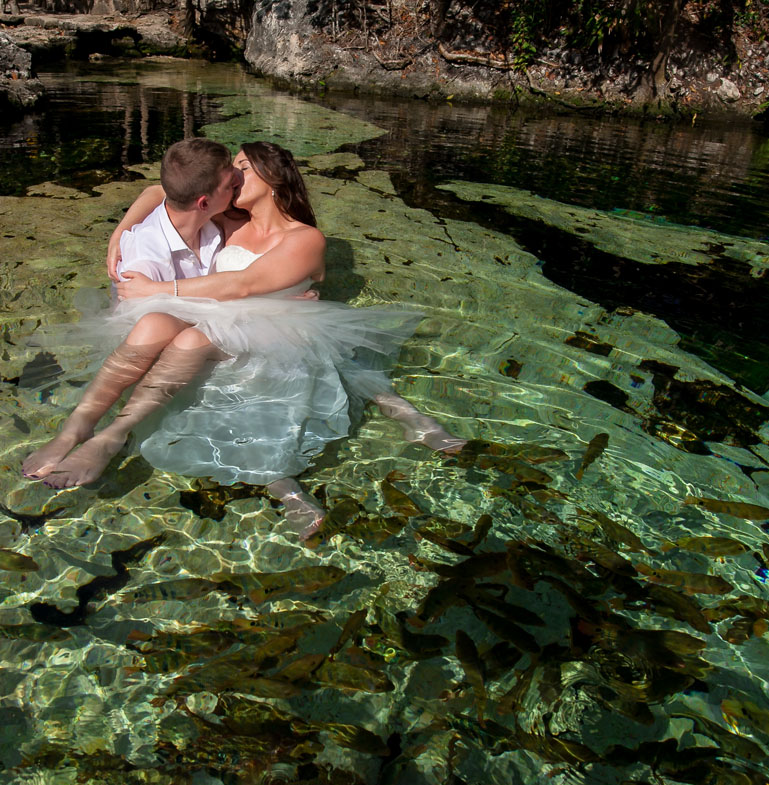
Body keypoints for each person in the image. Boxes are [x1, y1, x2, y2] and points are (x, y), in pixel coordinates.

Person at [23, 139, 463, 533]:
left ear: (273, 179)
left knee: (196, 343)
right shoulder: (228, 221)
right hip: (219, 322)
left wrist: (157, 289)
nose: (234, 176)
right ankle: (77, 428)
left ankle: (115, 435)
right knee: (153, 325)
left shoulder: (305, 237)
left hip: (271, 335)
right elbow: (160, 192)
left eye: (243, 168)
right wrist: (120, 232)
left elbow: (244, 287)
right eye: (230, 171)